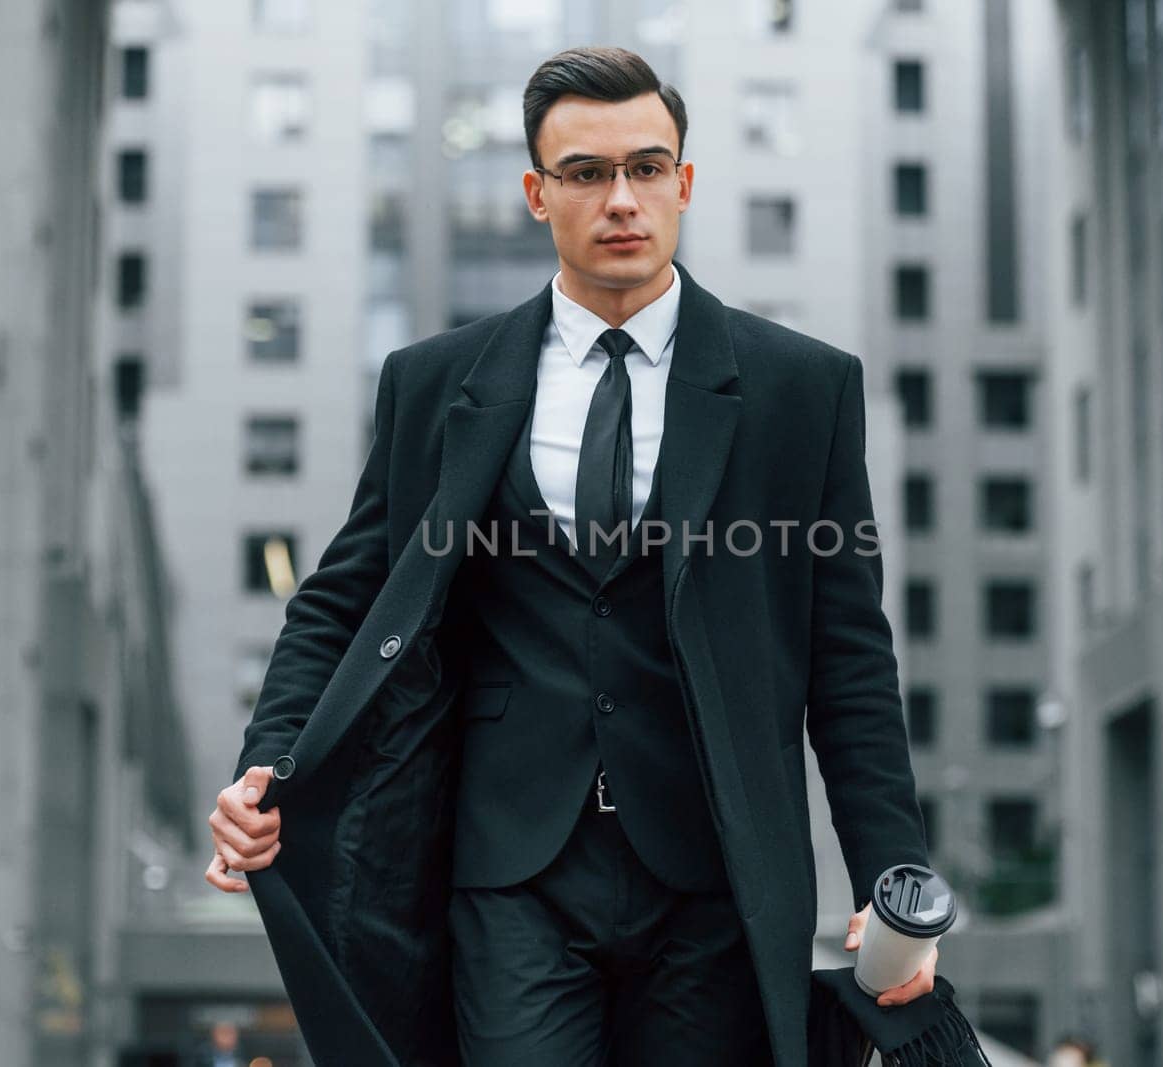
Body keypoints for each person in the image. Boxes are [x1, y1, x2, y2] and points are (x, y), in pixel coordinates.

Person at [205, 45, 935, 1065]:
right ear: (537, 195)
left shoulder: (800, 390)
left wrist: (891, 877)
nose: (621, 198)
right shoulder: (435, 383)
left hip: (717, 869)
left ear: (683, 182)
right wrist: (264, 760)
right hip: (508, 868)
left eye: (645, 167)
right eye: (587, 174)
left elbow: (850, 654)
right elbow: (345, 596)